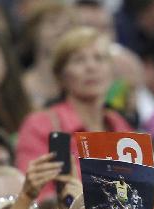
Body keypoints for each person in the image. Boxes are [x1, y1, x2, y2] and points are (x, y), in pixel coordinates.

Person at [15, 27, 132, 191]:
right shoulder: (40, 125)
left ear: (111, 71)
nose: (91, 67)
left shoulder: (119, 124)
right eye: (78, 60)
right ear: (60, 76)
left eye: (99, 58)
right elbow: (35, 194)